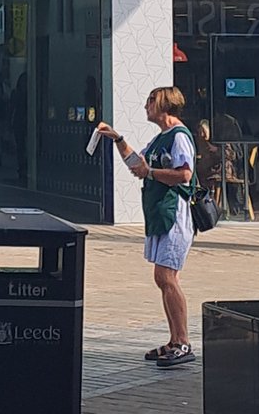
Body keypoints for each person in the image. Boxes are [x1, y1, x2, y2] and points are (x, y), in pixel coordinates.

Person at [98, 86, 197, 368]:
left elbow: (185, 175)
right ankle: (175, 339)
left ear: (165, 104)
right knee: (162, 277)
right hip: (158, 214)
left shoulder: (179, 137)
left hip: (173, 214)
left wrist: (151, 173)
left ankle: (182, 341)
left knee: (168, 276)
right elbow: (136, 164)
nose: (146, 106)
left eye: (151, 101)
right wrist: (118, 139)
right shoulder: (160, 139)